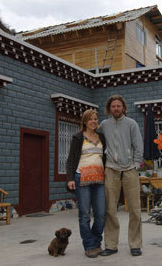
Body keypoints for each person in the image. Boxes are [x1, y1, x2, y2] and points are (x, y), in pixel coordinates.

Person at [98, 95, 144, 257]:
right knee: (110, 208)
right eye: (113, 106)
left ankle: (135, 244)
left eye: (119, 106)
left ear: (123, 108)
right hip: (111, 169)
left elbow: (138, 145)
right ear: (109, 109)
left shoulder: (131, 124)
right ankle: (111, 245)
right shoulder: (104, 125)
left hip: (130, 169)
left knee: (135, 209)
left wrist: (136, 164)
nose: (116, 108)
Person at [66, 109, 106, 258]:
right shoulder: (78, 137)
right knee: (84, 215)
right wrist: (70, 178)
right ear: (84, 121)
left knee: (101, 214)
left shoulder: (101, 137)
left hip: (100, 180)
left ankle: (96, 241)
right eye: (91, 119)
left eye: (96, 119)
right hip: (81, 179)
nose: (94, 121)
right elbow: (70, 160)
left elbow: (105, 157)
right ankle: (89, 246)